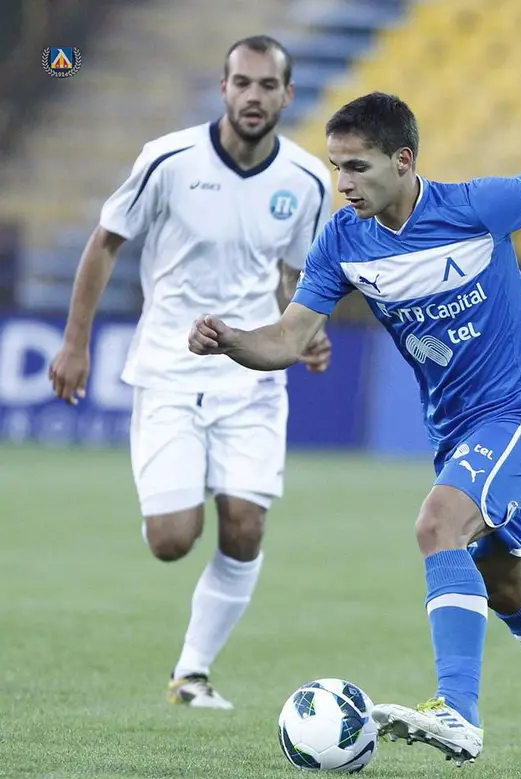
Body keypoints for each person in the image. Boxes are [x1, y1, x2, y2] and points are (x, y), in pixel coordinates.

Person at [187, 92, 521, 758]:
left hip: (520, 413)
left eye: (357, 167)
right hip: (454, 434)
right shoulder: (342, 240)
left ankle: (457, 711)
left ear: (403, 159)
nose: (343, 183)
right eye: (335, 167)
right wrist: (230, 340)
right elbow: (287, 339)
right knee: (503, 583)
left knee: (437, 524)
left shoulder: (475, 207)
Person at [49, 36, 332, 710]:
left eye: (267, 85)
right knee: (172, 541)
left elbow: (297, 273)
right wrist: (75, 344)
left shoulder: (307, 180)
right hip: (170, 373)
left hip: (252, 377)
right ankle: (171, 491)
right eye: (243, 83)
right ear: (224, 87)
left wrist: (305, 331)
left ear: (287, 95)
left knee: (245, 527)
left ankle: (192, 674)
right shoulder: (168, 160)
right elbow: (105, 242)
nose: (254, 96)